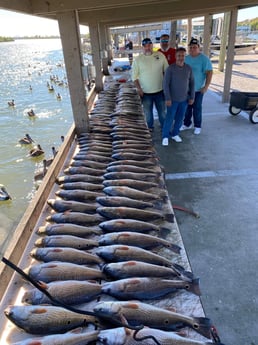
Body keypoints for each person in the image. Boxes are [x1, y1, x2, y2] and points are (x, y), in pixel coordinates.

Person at [132, 37, 168, 131]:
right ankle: (150, 128)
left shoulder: (160, 55)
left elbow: (167, 71)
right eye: (145, 46)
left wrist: (167, 87)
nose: (147, 48)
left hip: (160, 90)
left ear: (152, 46)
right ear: (142, 47)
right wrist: (139, 89)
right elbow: (134, 77)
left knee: (162, 112)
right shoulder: (138, 60)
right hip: (145, 93)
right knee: (148, 114)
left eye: (149, 45)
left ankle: (165, 127)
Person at [162, 47, 195, 146]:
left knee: (180, 118)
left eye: (183, 56)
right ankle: (165, 136)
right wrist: (167, 98)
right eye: (179, 56)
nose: (181, 58)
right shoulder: (170, 69)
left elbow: (192, 83)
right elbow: (165, 84)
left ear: (185, 56)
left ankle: (175, 134)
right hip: (172, 100)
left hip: (184, 100)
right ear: (175, 56)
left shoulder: (188, 68)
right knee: (169, 118)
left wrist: (192, 97)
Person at [181, 38, 213, 135]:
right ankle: (187, 124)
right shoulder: (186, 58)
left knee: (197, 108)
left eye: (194, 47)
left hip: (199, 89)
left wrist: (206, 86)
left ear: (199, 47)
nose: (192, 49)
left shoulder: (204, 59)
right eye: (190, 47)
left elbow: (209, 73)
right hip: (187, 89)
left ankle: (198, 125)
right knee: (187, 108)